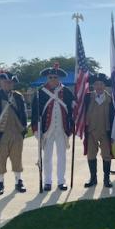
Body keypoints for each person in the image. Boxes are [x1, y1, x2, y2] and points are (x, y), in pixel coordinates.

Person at [31, 63, 74, 191]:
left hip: (61, 129)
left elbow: (73, 110)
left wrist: (71, 126)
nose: (53, 80)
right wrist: (36, 129)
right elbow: (35, 113)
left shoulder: (66, 91)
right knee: (47, 157)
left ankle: (61, 181)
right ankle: (47, 181)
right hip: (46, 130)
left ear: (59, 78)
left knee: (62, 156)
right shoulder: (40, 93)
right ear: (47, 78)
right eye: (50, 77)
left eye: (55, 77)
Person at [83, 73, 115, 188]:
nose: (99, 86)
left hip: (105, 131)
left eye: (101, 84)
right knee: (91, 154)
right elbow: (81, 111)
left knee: (106, 155)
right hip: (91, 131)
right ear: (93, 85)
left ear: (105, 86)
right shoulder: (87, 97)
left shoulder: (111, 99)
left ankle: (107, 179)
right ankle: (93, 178)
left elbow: (114, 117)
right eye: (96, 84)